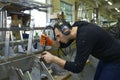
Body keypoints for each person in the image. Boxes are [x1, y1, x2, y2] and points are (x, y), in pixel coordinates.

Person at [39, 20, 120, 80]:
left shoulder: (84, 38)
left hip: (116, 59)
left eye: (58, 36)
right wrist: (50, 42)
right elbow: (66, 42)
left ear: (65, 30)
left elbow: (77, 67)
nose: (58, 39)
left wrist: (53, 59)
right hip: (106, 57)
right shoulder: (76, 26)